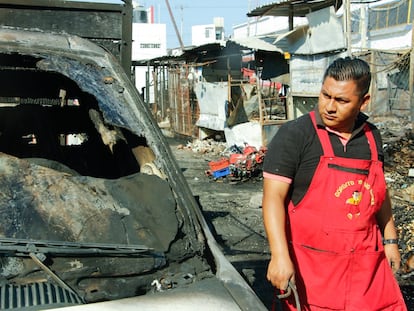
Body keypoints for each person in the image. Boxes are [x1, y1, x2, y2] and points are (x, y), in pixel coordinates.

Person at [262, 57, 407, 310]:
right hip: (312, 269)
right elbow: (272, 198)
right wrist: (279, 256)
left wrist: (390, 240)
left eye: (341, 101)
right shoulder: (295, 135)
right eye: (325, 95)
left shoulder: (373, 137)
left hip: (365, 269)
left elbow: (378, 193)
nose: (329, 106)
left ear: (364, 101)